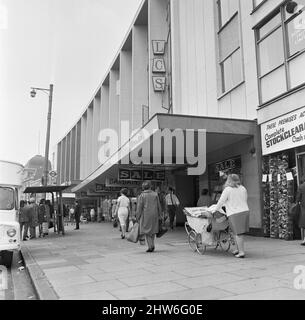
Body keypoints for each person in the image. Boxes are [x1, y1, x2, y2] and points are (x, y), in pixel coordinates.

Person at [213, 174, 249, 258]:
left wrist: (216, 210)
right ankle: (238, 249)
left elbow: (221, 201)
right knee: (237, 233)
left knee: (238, 233)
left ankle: (241, 252)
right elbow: (245, 199)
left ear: (228, 180)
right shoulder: (243, 188)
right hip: (244, 211)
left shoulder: (228, 189)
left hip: (234, 213)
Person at [136, 181, 162, 252]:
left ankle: (150, 246)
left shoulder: (142, 195)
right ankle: (152, 244)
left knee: (147, 231)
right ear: (150, 187)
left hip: (146, 215)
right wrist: (160, 214)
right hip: (154, 214)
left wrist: (137, 217)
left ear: (143, 187)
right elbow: (158, 205)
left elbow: (139, 208)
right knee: (153, 230)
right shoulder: (155, 194)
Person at [296, 179, 305, 246]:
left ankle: (304, 239)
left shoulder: (301, 186)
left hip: (303, 206)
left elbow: (298, 197)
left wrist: (298, 202)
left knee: (304, 223)